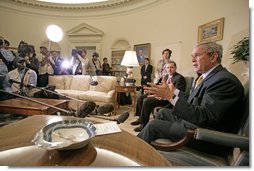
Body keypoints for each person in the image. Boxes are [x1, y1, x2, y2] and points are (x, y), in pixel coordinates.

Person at [138, 42, 244, 157]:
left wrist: (170, 96)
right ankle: (155, 151)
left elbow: (204, 116)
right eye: (192, 56)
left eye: (197, 55)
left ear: (213, 57)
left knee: (154, 125)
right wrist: (174, 92)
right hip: (197, 124)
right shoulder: (211, 77)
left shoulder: (224, 81)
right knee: (162, 112)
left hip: (207, 136)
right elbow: (193, 100)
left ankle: (132, 153)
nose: (193, 60)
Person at [132, 61, 186, 132]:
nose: (169, 69)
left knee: (147, 101)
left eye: (171, 67)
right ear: (166, 69)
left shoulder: (179, 78)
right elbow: (157, 85)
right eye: (168, 67)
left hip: (167, 99)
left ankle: (143, 125)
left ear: (175, 68)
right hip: (160, 94)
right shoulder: (166, 76)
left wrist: (167, 92)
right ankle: (140, 118)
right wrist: (150, 90)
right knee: (141, 97)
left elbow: (178, 93)